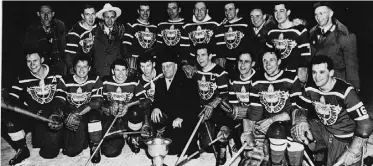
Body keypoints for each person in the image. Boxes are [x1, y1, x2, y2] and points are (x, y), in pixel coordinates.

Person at [292, 55, 373, 166]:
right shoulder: (310, 87)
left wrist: (354, 149)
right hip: (324, 130)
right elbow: (300, 108)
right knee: (294, 130)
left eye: (321, 72)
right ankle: (314, 155)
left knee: (345, 161)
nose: (317, 77)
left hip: (344, 137)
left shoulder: (345, 91)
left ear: (331, 73)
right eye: (314, 72)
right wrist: (301, 120)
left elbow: (366, 123)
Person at [4, 49, 64, 165]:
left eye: (35, 60)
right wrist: (6, 101)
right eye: (28, 61)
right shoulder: (22, 77)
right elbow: (12, 97)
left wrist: (56, 112)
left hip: (50, 115)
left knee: (48, 153)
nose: (32, 65)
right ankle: (22, 149)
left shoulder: (56, 73)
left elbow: (62, 96)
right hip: (32, 114)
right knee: (9, 118)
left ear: (42, 60)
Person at [251, 51, 304, 166]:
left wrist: (272, 120)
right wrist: (251, 128)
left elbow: (297, 108)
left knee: (278, 130)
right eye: (264, 60)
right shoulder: (256, 80)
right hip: (267, 124)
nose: (267, 64)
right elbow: (255, 111)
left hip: (288, 122)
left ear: (279, 62)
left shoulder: (290, 78)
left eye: (272, 60)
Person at [185, 44, 234, 165]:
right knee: (205, 145)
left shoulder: (220, 73)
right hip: (202, 111)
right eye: (198, 55)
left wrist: (211, 105)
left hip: (217, 110)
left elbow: (225, 94)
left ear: (210, 56)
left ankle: (225, 140)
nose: (200, 58)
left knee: (212, 145)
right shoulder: (197, 72)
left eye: (203, 55)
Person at [150, 48, 200, 156]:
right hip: (169, 120)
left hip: (185, 119)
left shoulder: (187, 81)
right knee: (167, 149)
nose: (165, 69)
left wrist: (181, 117)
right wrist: (156, 107)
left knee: (177, 149)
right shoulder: (160, 83)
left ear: (176, 66)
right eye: (163, 67)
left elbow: (194, 105)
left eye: (168, 66)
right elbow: (157, 100)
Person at [54, 55, 103, 163]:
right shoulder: (65, 80)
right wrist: (63, 114)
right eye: (79, 66)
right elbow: (59, 100)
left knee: (95, 115)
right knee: (72, 152)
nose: (81, 70)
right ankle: (83, 138)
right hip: (72, 113)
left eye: (85, 66)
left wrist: (78, 112)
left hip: (88, 112)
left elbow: (97, 102)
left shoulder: (95, 79)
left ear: (89, 68)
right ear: (74, 68)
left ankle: (95, 146)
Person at [220, 52, 266, 166]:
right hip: (242, 117)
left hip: (258, 117)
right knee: (224, 121)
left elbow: (260, 110)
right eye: (240, 61)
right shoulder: (234, 80)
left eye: (247, 62)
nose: (242, 65)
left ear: (253, 64)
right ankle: (225, 148)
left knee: (254, 142)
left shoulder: (259, 79)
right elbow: (234, 106)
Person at [100, 59, 151, 156]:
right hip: (112, 117)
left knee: (136, 112)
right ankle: (119, 137)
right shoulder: (105, 81)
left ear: (127, 71)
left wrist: (128, 105)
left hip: (129, 116)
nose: (120, 74)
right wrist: (107, 107)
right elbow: (97, 101)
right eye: (117, 70)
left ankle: (133, 137)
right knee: (110, 152)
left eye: (123, 70)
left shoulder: (134, 81)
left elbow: (146, 100)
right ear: (112, 71)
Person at [309, 2, 360, 90]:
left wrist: (353, 88)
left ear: (331, 13)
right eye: (316, 14)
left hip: (336, 84)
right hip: (316, 83)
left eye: (322, 13)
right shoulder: (311, 33)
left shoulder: (345, 36)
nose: (318, 17)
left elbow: (351, 67)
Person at [266, 3, 311, 84]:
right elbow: (268, 54)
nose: (278, 14)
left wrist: (302, 72)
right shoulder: (271, 31)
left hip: (295, 76)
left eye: (281, 11)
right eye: (276, 11)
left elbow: (306, 55)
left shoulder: (300, 30)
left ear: (288, 12)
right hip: (276, 76)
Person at [22, 5, 66, 75]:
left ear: (53, 14)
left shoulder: (59, 26)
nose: (46, 16)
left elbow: (64, 47)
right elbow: (30, 52)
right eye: (43, 13)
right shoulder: (32, 29)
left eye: (48, 13)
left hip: (59, 67)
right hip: (41, 68)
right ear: (38, 14)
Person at [215, 2, 253, 77]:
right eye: (225, 10)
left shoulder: (245, 25)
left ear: (237, 10)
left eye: (230, 9)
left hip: (243, 65)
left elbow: (251, 47)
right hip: (227, 66)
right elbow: (219, 47)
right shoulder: (222, 26)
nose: (227, 12)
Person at [181, 2, 220, 73]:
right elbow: (184, 47)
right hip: (193, 63)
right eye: (196, 9)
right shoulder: (187, 26)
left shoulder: (215, 24)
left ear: (207, 11)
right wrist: (185, 64)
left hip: (212, 62)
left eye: (202, 9)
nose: (199, 12)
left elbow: (220, 45)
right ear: (193, 11)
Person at [123, 3, 159, 76]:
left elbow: (157, 47)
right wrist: (131, 62)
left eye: (147, 10)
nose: (145, 13)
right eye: (142, 10)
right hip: (136, 65)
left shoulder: (155, 27)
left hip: (150, 65)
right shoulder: (132, 25)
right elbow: (125, 46)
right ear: (138, 11)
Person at [92, 3, 126, 78]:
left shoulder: (121, 32)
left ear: (115, 18)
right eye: (107, 17)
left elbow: (123, 54)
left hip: (115, 76)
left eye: (112, 17)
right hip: (98, 75)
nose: (110, 20)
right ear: (103, 17)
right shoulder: (95, 32)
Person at [64, 4, 98, 75]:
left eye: (93, 14)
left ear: (96, 15)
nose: (91, 17)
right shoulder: (75, 33)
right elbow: (69, 57)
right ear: (83, 16)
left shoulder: (98, 30)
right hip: (80, 71)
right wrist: (74, 72)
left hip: (94, 71)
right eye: (87, 14)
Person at [137, 51, 164, 137]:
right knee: (144, 103)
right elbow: (143, 103)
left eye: (148, 66)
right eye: (142, 66)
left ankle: (162, 129)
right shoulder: (139, 82)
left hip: (163, 105)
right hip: (149, 109)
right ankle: (147, 125)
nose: (145, 70)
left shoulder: (162, 74)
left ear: (154, 64)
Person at [248, 6, 277, 72]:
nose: (254, 19)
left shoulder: (271, 30)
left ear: (264, 17)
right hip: (253, 69)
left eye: (257, 16)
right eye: (252, 17)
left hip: (267, 68)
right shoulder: (249, 30)